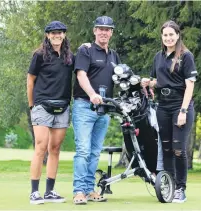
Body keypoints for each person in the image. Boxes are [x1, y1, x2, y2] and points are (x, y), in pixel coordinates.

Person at [141, 20, 198, 203]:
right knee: (165, 148)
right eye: (165, 35)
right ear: (162, 37)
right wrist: (148, 83)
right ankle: (171, 185)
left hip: (180, 106)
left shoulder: (186, 56)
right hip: (163, 106)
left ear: (178, 35)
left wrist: (183, 110)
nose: (168, 38)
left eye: (171, 35)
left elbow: (189, 86)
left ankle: (181, 189)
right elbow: (159, 81)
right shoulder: (158, 56)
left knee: (178, 149)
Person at [72, 16, 121, 205]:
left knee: (94, 153)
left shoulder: (114, 55)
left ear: (111, 33)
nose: (103, 32)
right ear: (94, 31)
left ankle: (89, 190)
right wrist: (92, 94)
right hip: (85, 106)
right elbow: (81, 75)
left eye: (107, 29)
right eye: (100, 28)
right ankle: (78, 192)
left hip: (104, 110)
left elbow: (122, 77)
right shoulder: (86, 51)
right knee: (83, 151)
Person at [27, 20, 74, 205]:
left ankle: (49, 191)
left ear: (64, 35)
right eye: (53, 33)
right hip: (42, 106)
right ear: (47, 35)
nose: (57, 35)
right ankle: (34, 192)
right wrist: (32, 105)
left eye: (60, 32)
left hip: (62, 106)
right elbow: (30, 80)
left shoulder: (70, 56)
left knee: (54, 149)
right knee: (41, 147)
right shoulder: (39, 55)